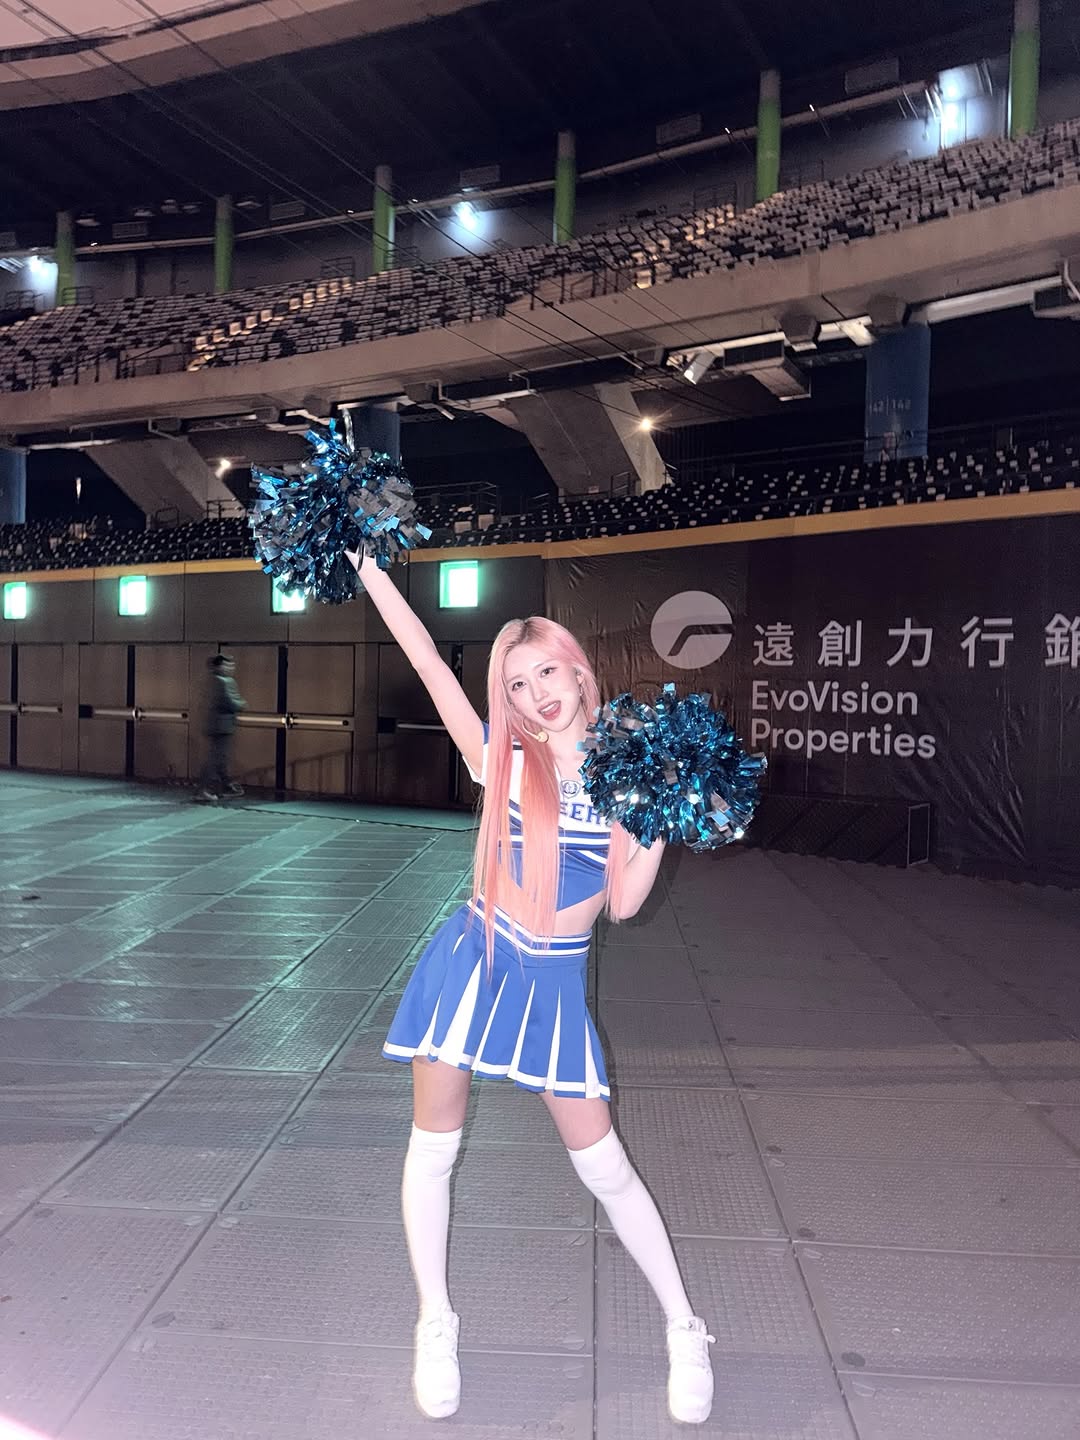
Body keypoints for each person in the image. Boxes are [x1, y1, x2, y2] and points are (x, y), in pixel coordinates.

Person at [349, 549, 715, 1425]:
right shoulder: (503, 762)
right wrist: (369, 567)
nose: (536, 693)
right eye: (516, 685)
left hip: (553, 984)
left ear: (579, 669)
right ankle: (435, 1320)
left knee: (606, 1169)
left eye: (546, 671)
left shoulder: (630, 774)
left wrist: (661, 818)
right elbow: (426, 659)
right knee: (432, 1149)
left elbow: (624, 903)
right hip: (472, 962)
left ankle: (685, 1327)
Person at [198, 653, 246, 800]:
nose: (231, 668)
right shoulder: (223, 682)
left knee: (219, 759)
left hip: (215, 725)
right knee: (217, 759)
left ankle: (222, 787)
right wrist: (241, 704)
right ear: (219, 666)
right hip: (222, 726)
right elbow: (229, 701)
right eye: (227, 665)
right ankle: (206, 789)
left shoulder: (211, 680)